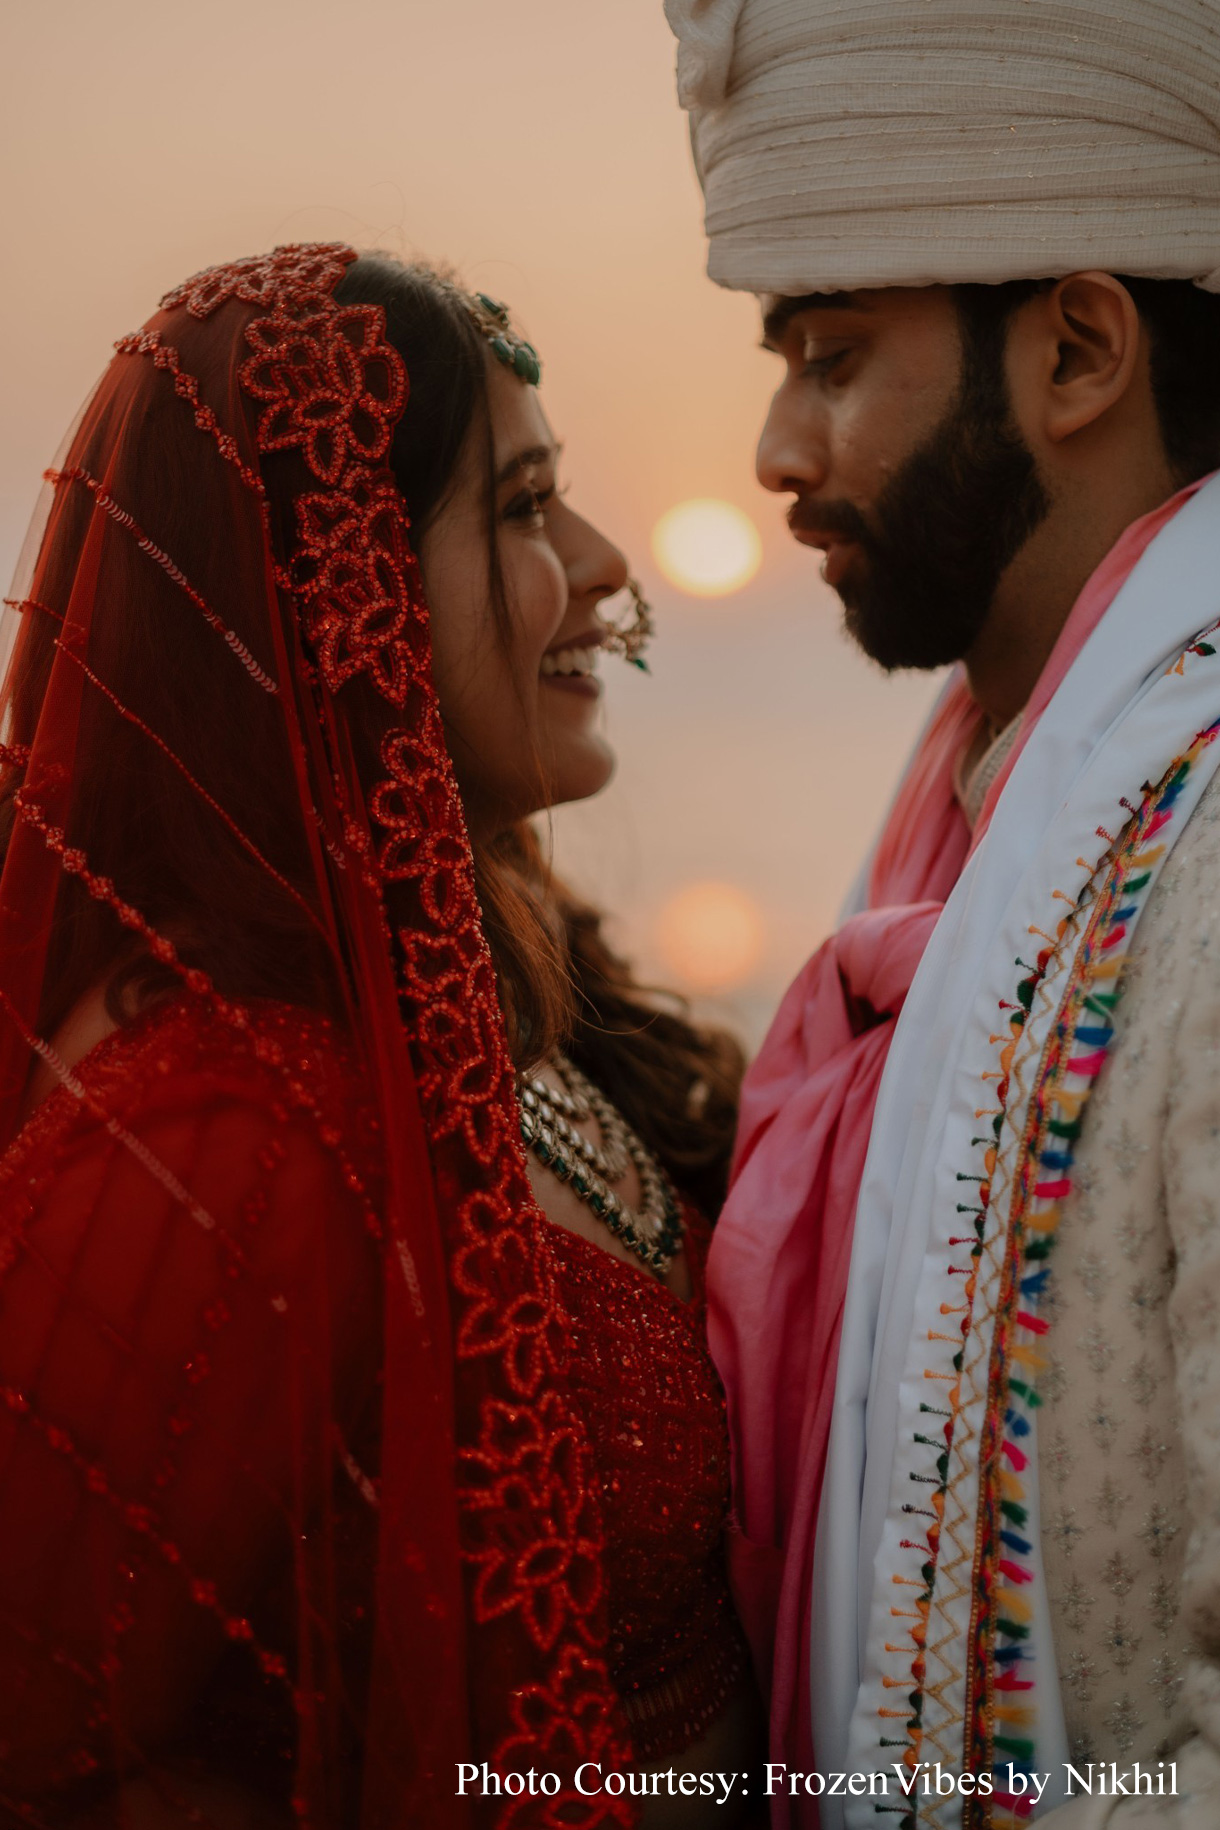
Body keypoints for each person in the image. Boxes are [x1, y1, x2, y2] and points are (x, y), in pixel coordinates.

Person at [0, 243, 760, 1828]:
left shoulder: (525, 1005)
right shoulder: (221, 1127)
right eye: (524, 507)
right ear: (336, 589)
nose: (610, 561)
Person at [663, 1, 1220, 1824]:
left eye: (831, 354)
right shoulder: (975, 826)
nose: (772, 444)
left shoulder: (1199, 853)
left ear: (1075, 350)